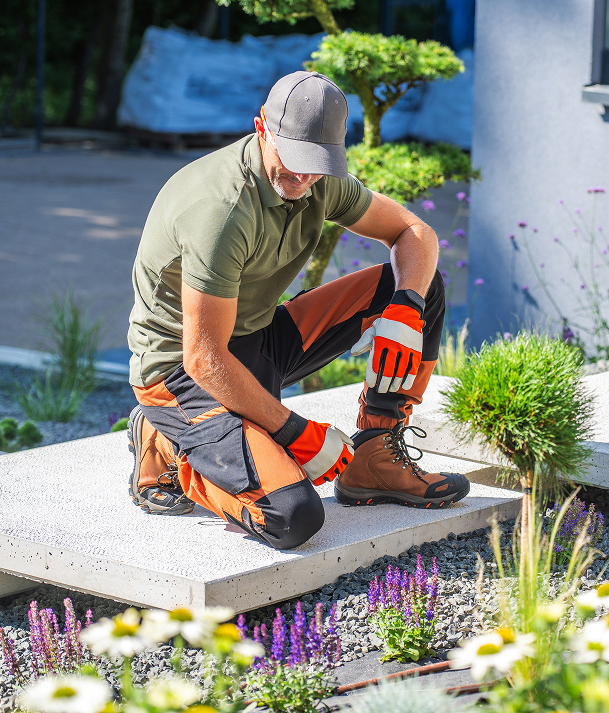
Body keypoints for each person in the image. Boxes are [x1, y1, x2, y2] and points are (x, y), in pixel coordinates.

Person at [125, 71, 470, 550]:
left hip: (257, 340)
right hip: (182, 376)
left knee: (418, 283)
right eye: (294, 158)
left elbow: (415, 233)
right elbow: (203, 358)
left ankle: (373, 459)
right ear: (261, 129)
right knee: (290, 517)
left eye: (317, 163)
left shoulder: (317, 179)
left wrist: (405, 310)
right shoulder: (222, 211)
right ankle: (169, 445)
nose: (303, 177)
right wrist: (295, 431)